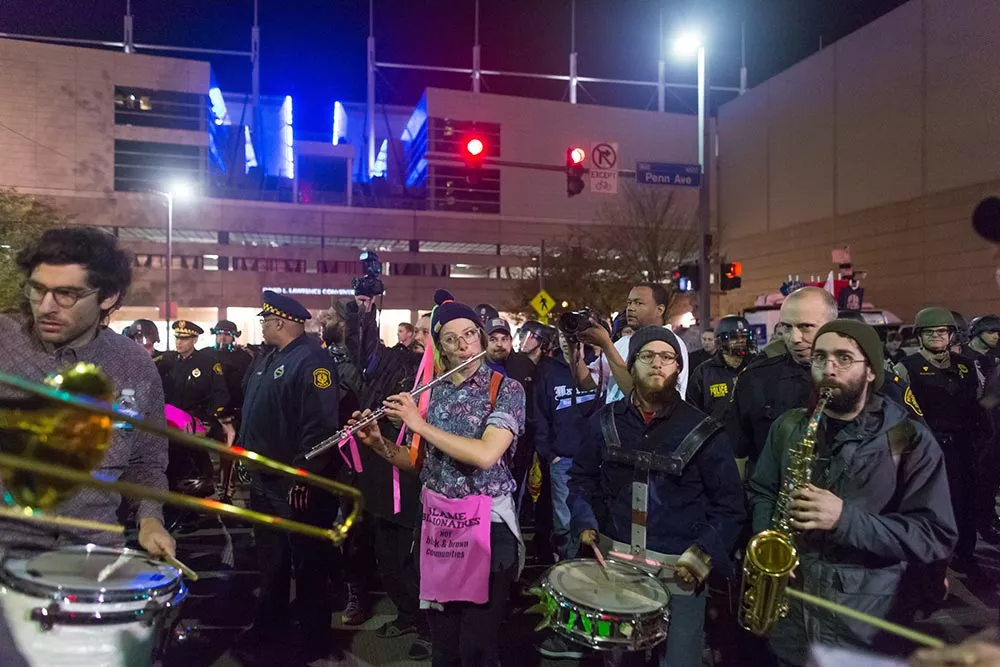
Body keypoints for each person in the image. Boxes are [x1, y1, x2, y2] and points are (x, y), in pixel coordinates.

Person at [748, 319, 957, 666]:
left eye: (844, 358)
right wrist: (768, 539)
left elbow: (934, 534)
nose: (829, 368)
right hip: (792, 619)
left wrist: (844, 519)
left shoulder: (909, 439)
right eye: (820, 357)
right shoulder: (788, 426)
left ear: (871, 371)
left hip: (864, 626)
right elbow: (762, 490)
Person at [351, 289, 526, 667]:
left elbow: (485, 454)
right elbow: (418, 463)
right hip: (438, 526)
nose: (462, 345)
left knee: (476, 648)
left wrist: (418, 423)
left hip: (487, 528)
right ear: (440, 349)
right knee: (443, 647)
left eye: (469, 335)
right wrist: (378, 444)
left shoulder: (506, 389)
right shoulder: (431, 394)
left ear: (480, 336)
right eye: (450, 338)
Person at [568, 326, 745, 667]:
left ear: (678, 367)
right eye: (647, 356)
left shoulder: (704, 430)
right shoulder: (605, 422)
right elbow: (581, 480)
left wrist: (704, 553)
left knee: (680, 661)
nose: (657, 364)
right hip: (614, 568)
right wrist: (584, 520)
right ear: (631, 365)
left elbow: (729, 506)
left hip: (680, 571)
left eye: (667, 357)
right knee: (618, 662)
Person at [0, 226, 173, 557]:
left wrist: (151, 518)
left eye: (67, 294)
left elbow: (146, 460)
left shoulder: (135, 364)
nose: (46, 306)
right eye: (38, 290)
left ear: (107, 296)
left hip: (93, 553)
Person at [235, 290, 342, 661]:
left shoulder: (313, 361)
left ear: (281, 322)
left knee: (308, 563)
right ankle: (271, 627)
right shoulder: (268, 358)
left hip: (294, 481)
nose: (262, 326)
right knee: (272, 560)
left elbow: (321, 427)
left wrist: (304, 474)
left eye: (265, 320)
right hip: (264, 476)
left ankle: (313, 640)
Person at [327, 295, 431, 658]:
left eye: (425, 331)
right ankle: (406, 613)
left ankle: (427, 624)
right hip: (375, 470)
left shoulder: (429, 375)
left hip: (411, 476)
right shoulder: (396, 363)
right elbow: (364, 352)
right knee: (384, 552)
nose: (418, 336)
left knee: (408, 556)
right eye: (416, 330)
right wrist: (362, 315)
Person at [895, 307, 985, 573]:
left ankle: (965, 555)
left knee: (966, 503)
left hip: (963, 447)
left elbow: (979, 403)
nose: (936, 336)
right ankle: (932, 565)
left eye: (941, 331)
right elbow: (900, 410)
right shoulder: (906, 367)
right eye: (929, 332)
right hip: (926, 447)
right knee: (930, 506)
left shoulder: (966, 367)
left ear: (951, 335)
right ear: (919, 336)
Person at [727, 287, 839, 468]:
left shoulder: (862, 381)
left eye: (806, 327)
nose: (794, 338)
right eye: (787, 327)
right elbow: (737, 452)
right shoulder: (754, 379)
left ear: (832, 325)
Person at [575, 283, 690, 402]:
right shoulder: (623, 343)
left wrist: (606, 344)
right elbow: (587, 383)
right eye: (629, 303)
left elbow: (641, 399)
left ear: (659, 310)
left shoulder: (669, 345)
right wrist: (573, 348)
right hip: (618, 419)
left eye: (638, 303)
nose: (630, 308)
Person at [210, 319, 253, 503]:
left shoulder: (243, 358)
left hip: (232, 414)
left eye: (227, 334)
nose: (222, 338)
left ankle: (226, 494)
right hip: (210, 413)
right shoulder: (208, 355)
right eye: (219, 333)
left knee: (229, 457)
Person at [686, 316, 754, 419]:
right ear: (721, 339)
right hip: (717, 433)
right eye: (735, 337)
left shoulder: (756, 366)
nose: (740, 341)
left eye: (743, 336)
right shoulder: (705, 372)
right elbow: (692, 409)